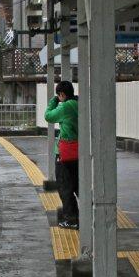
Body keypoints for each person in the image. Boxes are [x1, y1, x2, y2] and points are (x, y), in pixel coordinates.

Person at [45, 80, 79, 228]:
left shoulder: (66, 107)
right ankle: (90, 213)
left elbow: (49, 116)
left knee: (65, 186)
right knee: (78, 185)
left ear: (62, 94)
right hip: (79, 151)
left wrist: (54, 100)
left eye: (59, 95)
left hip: (66, 152)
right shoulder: (78, 104)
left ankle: (71, 219)